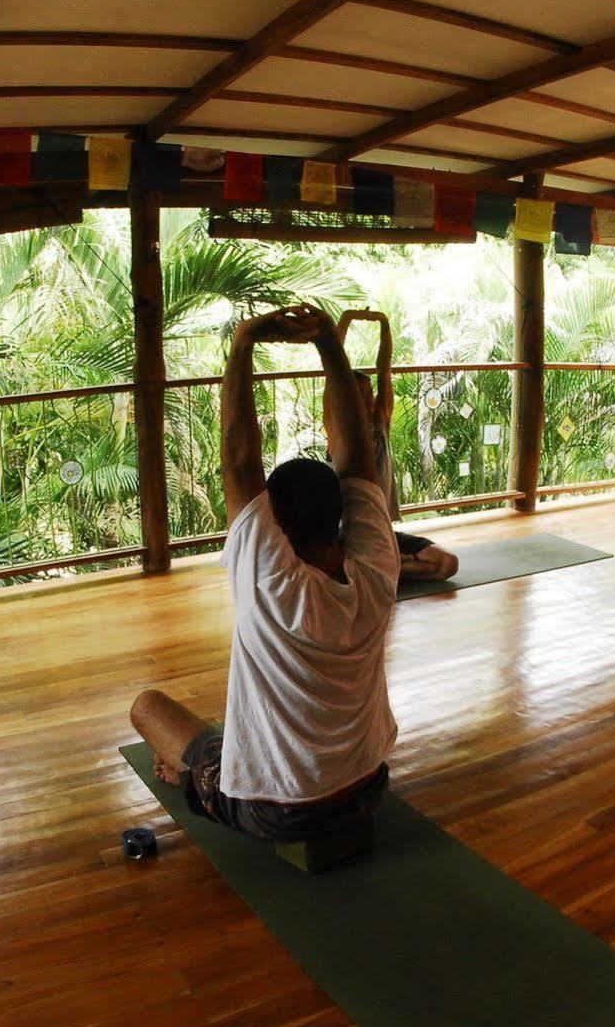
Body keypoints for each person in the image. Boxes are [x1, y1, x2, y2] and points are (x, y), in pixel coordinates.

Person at [130, 305, 398, 841]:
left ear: (272, 519)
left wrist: (244, 342)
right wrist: (328, 343)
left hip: (282, 811)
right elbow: (355, 455)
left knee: (148, 709)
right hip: (370, 782)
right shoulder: (377, 569)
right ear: (340, 515)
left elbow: (237, 453)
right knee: (225, 735)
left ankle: (194, 777)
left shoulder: (270, 581)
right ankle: (205, 766)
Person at [328, 310, 459, 583]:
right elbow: (332, 365)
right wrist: (347, 319)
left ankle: (385, 568)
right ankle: (386, 566)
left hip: (383, 532)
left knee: (447, 564)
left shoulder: (381, 424)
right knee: (352, 564)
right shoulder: (337, 432)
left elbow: (384, 368)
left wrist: (385, 325)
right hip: (350, 536)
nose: (369, 401)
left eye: (370, 395)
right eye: (360, 396)